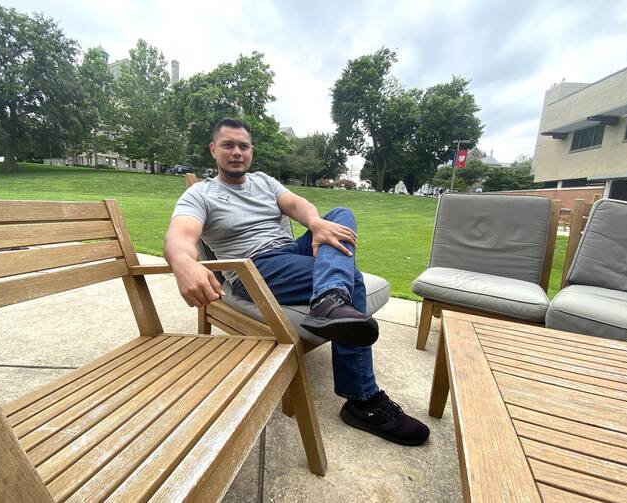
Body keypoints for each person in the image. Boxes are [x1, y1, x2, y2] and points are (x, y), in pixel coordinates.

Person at [163, 117, 429, 446]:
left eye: (243, 146)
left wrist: (316, 224)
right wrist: (183, 262)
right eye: (228, 145)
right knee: (353, 279)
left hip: (291, 250)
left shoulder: (264, 182)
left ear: (251, 151)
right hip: (256, 267)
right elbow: (180, 235)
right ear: (213, 149)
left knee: (340, 215)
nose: (236, 152)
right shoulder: (201, 195)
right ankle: (362, 400)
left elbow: (296, 204)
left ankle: (330, 299)